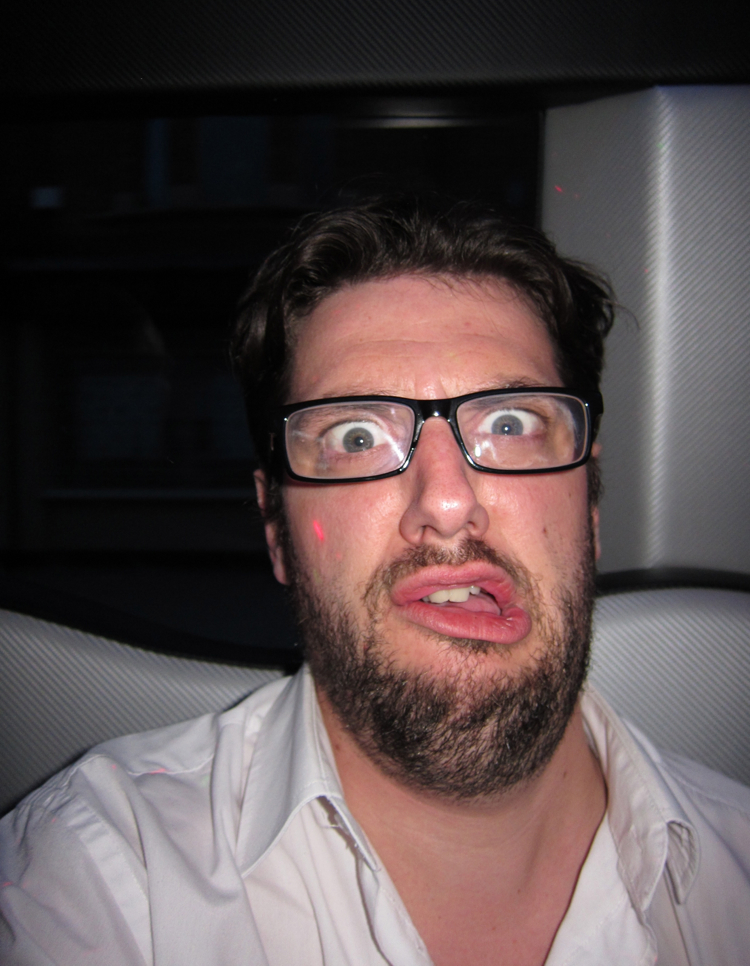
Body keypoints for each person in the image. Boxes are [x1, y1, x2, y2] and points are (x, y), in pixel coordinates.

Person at [1, 197, 749, 966]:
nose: (448, 503)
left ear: (589, 506)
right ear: (276, 529)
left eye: (511, 424)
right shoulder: (102, 882)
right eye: (356, 436)